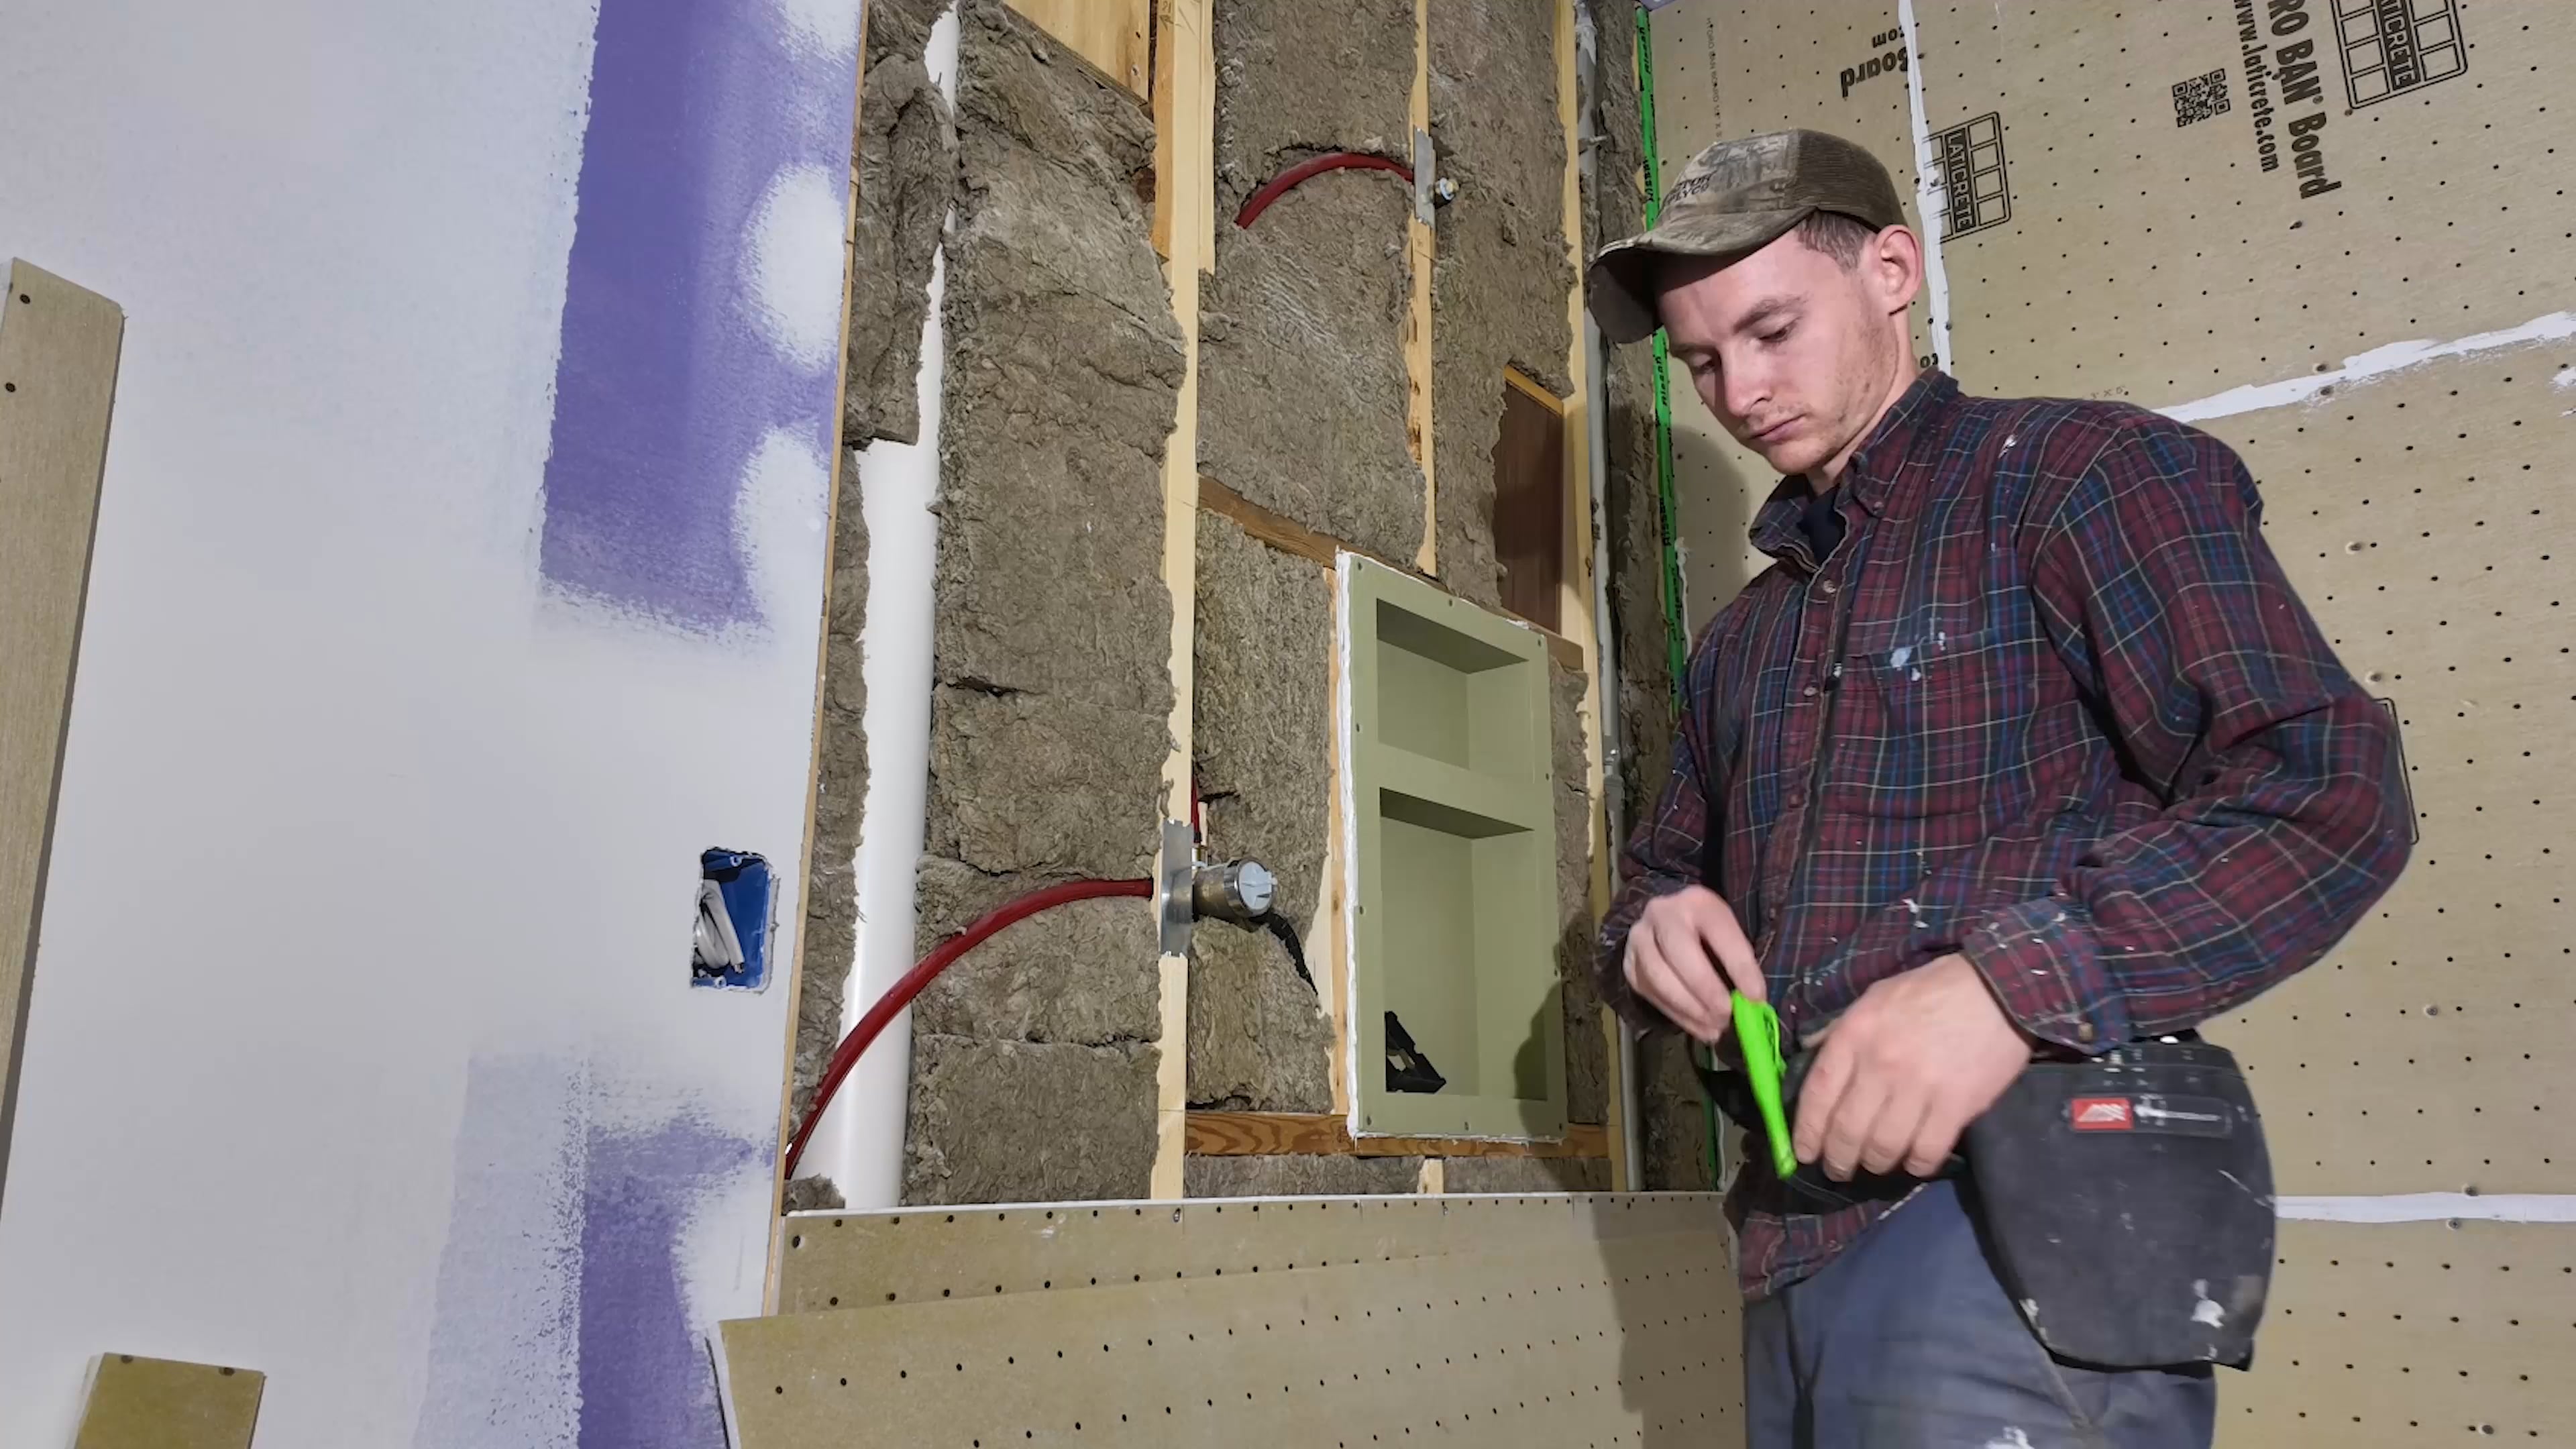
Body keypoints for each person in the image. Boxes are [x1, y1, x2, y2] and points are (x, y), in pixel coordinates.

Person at [1585, 129, 2412, 1448]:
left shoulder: (2082, 480)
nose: (1739, 391)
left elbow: (2325, 790)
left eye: (1774, 330)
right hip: (1788, 1252)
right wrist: (1653, 932)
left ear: (1893, 272)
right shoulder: (1742, 645)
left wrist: (2004, 988)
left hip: (2018, 1226)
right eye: (1700, 361)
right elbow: (1656, 879)